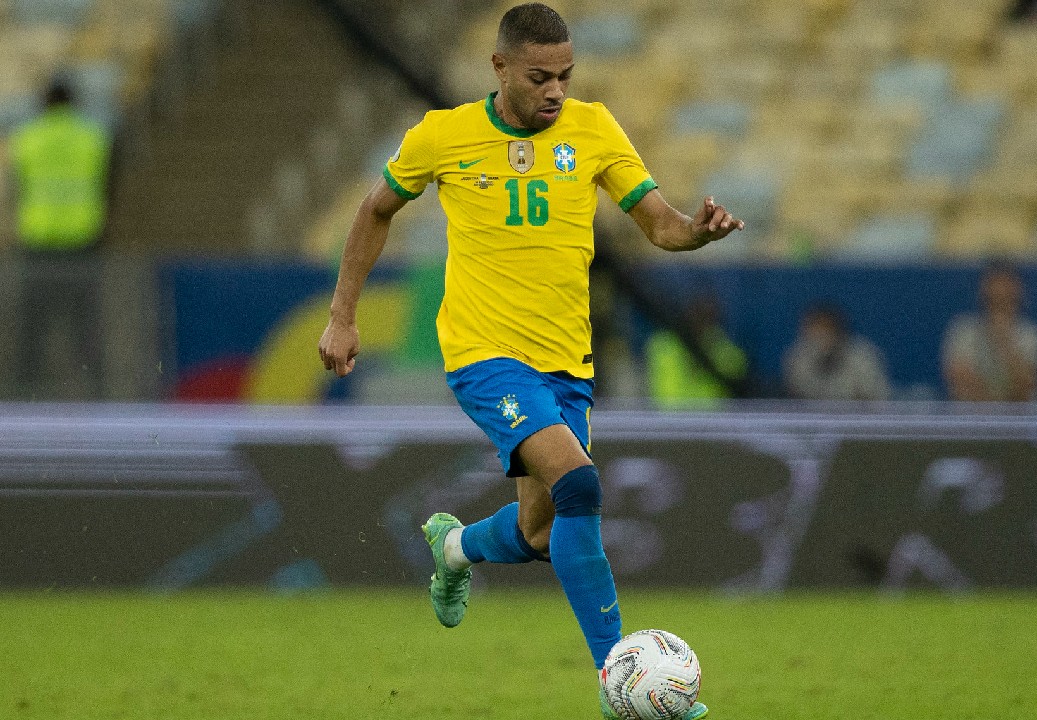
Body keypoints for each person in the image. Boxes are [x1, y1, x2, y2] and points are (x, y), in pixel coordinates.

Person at [317, 6, 742, 718]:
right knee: (580, 486)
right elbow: (375, 209)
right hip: (486, 356)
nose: (556, 91)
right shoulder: (443, 136)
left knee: (543, 532)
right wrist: (342, 313)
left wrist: (697, 233)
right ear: (500, 68)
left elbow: (658, 222)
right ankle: (621, 680)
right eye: (540, 77)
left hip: (567, 362)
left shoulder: (594, 128)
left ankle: (454, 549)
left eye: (566, 76)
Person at [7, 77, 112, 399]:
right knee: (85, 321)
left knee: (33, 321)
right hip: (83, 238)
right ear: (73, 102)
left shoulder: (26, 138)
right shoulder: (93, 137)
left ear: (44, 103)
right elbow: (106, 185)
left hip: (38, 240)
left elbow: (18, 189)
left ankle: (24, 389)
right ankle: (97, 389)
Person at [942, 263, 1037, 402]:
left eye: (1006, 294)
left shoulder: (1032, 335)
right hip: (971, 419)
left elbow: (1027, 388)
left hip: (1018, 420)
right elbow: (961, 385)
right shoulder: (963, 331)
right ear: (984, 292)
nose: (1000, 294)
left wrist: (1004, 342)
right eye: (995, 295)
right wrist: (992, 410)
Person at [645, 293, 748, 410]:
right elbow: (661, 395)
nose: (700, 322)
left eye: (707, 317)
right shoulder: (661, 345)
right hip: (668, 423)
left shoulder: (731, 356)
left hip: (713, 424)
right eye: (697, 314)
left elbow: (726, 399)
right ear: (687, 314)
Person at [784, 303, 891, 402]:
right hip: (814, 421)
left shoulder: (863, 358)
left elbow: (877, 402)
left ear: (838, 330)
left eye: (825, 328)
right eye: (814, 329)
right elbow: (795, 399)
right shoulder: (797, 357)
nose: (820, 336)